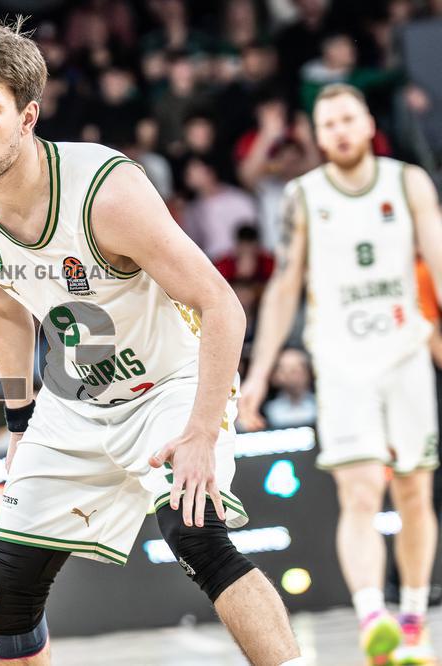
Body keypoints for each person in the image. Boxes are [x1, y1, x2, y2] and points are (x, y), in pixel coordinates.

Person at [0, 20, 303, 666]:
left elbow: (221, 305)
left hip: (169, 384)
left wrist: (200, 432)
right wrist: (20, 424)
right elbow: (2, 308)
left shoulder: (105, 191)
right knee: (7, 603)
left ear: (28, 117)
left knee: (197, 536)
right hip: (74, 399)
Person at [240, 83, 442, 666]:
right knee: (359, 491)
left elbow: (438, 260)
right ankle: (373, 617)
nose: (341, 131)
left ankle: (413, 622)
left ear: (369, 123)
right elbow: (284, 286)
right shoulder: (302, 196)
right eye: (328, 124)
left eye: (348, 119)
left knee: (414, 491)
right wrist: (258, 374)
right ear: (318, 136)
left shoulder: (408, 182)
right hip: (341, 361)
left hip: (405, 354)